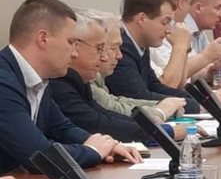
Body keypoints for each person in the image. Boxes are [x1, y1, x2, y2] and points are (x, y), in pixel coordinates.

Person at [0, 0, 141, 174]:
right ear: (43, 39)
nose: (74, 53)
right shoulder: (4, 82)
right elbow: (39, 156)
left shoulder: (39, 79)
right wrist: (93, 151)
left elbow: (62, 128)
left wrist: (106, 145)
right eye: (70, 42)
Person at [50, 11, 186, 142]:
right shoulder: (59, 83)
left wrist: (156, 128)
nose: (104, 57)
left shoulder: (77, 80)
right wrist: (163, 129)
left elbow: (104, 114)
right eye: (99, 48)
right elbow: (97, 124)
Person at [105, 0, 201, 113]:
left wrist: (200, 100)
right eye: (165, 22)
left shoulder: (140, 44)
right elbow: (139, 97)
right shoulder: (120, 48)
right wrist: (195, 105)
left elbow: (154, 86)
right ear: (142, 19)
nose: (168, 30)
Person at [86, 10, 186, 123]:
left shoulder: (96, 75)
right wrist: (159, 111)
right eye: (113, 48)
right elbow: (111, 108)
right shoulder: (84, 78)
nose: (119, 56)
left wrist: (162, 105)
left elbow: (115, 100)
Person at [149, 0, 196, 88]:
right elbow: (168, 85)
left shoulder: (179, 28)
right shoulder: (155, 34)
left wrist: (185, 48)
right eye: (189, 3)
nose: (167, 29)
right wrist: (181, 46)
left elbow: (180, 83)